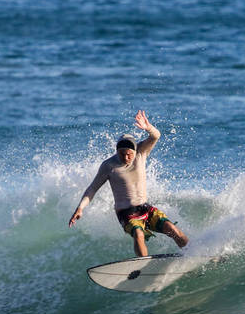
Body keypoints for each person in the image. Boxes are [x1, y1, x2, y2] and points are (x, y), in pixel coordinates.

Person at [69, 110, 188, 257]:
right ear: (117, 151)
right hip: (126, 214)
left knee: (172, 229)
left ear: (134, 150)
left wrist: (148, 127)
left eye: (129, 154)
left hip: (145, 208)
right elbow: (92, 189)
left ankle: (193, 253)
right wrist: (80, 208)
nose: (126, 157)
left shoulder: (141, 153)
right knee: (139, 234)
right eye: (122, 153)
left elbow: (156, 136)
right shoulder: (108, 166)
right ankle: (143, 266)